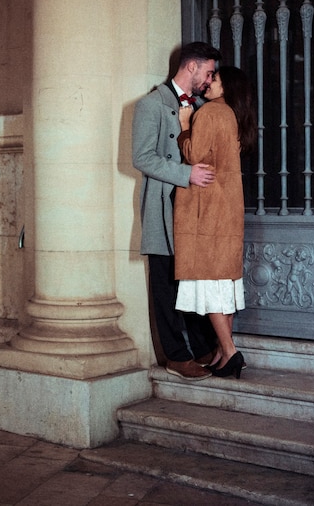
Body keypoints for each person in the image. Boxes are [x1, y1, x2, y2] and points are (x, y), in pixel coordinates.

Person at [132, 42, 221, 380]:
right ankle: (175, 355)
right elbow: (141, 158)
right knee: (166, 282)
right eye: (208, 72)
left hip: (194, 206)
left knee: (193, 277)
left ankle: (203, 348)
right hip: (165, 204)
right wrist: (187, 174)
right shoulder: (150, 105)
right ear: (191, 67)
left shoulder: (200, 106)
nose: (209, 79)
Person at [174, 66, 257, 378]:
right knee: (224, 284)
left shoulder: (210, 113)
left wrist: (184, 127)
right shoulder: (235, 117)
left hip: (208, 210)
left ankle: (231, 352)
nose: (208, 83)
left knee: (210, 282)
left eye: (215, 79)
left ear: (227, 87)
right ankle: (224, 351)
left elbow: (194, 154)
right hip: (227, 210)